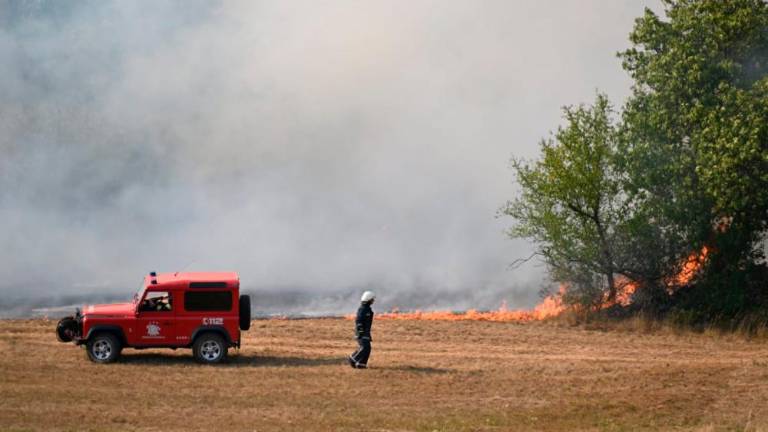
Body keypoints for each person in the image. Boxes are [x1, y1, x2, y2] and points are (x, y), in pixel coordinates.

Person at [348, 291, 375, 369]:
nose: (373, 301)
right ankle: (352, 359)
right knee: (364, 347)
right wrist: (360, 332)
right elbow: (358, 321)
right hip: (362, 333)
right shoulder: (362, 309)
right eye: (372, 299)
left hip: (366, 333)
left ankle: (361, 364)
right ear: (369, 299)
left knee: (368, 348)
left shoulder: (367, 309)